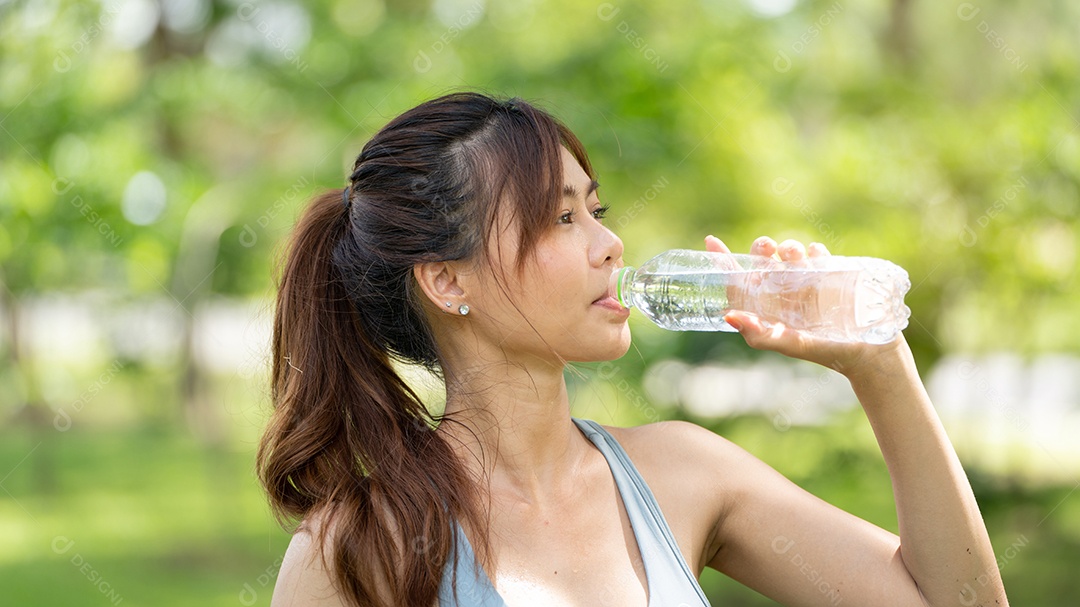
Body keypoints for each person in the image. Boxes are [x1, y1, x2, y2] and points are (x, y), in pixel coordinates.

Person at [259, 92, 1008, 607]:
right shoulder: (361, 547)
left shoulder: (685, 473)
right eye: (558, 217)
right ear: (447, 279)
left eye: (596, 209)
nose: (610, 243)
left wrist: (880, 364)